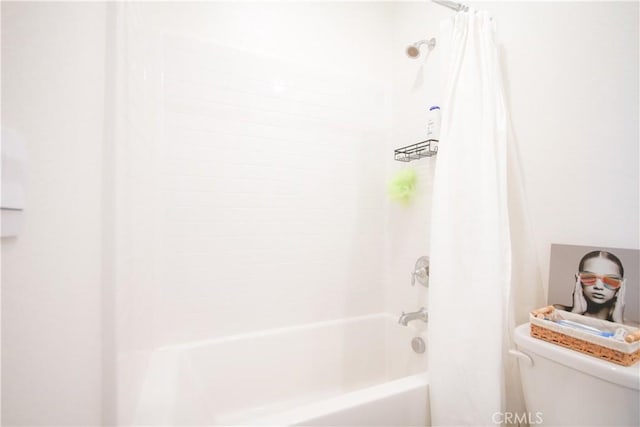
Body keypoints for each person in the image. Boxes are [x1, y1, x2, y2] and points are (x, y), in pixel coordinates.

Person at [555, 250, 626, 323]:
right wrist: (575, 314)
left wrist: (618, 323)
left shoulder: (634, 328)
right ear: (578, 278)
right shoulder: (556, 313)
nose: (598, 286)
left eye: (610, 280)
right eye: (589, 277)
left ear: (621, 284)